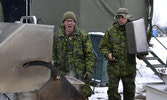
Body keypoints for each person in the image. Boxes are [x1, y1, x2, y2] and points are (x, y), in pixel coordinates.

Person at [99, 8, 146, 100]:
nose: (120, 19)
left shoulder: (134, 30)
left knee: (129, 93)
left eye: (122, 17)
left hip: (129, 67)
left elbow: (140, 46)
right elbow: (103, 46)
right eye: (118, 17)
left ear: (127, 17)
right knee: (112, 93)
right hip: (114, 68)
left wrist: (141, 55)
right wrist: (108, 55)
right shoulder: (111, 31)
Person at [52, 11, 95, 99]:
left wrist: (88, 72)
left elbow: (89, 56)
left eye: (71, 21)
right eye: (67, 21)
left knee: (81, 96)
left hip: (80, 76)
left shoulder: (82, 36)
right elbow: (53, 56)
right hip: (62, 75)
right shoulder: (57, 37)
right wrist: (54, 72)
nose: (69, 23)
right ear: (64, 22)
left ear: (75, 22)